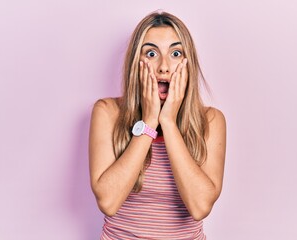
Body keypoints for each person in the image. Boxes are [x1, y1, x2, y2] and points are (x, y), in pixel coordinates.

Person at [89, 11, 226, 239]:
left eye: (175, 53)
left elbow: (200, 206)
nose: (164, 67)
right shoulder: (108, 113)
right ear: (136, 63)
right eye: (151, 53)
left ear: (188, 63)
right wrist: (150, 121)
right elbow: (108, 202)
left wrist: (168, 122)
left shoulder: (211, 121)